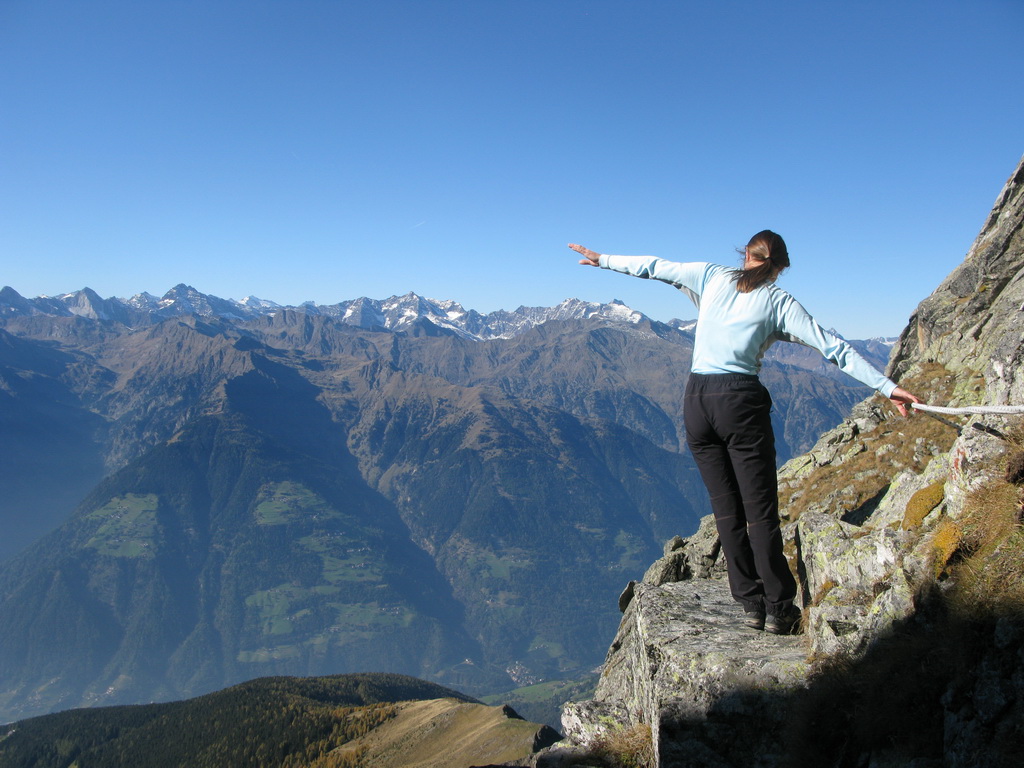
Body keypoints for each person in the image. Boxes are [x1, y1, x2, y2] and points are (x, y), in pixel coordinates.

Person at [569, 232, 920, 634]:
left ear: (745, 255)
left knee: (726, 509)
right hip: (739, 401)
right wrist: (887, 387)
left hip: (696, 400)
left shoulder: (711, 276)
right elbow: (832, 348)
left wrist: (603, 259)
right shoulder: (778, 301)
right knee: (760, 511)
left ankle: (750, 603)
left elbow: (655, 267)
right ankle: (779, 608)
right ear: (780, 267)